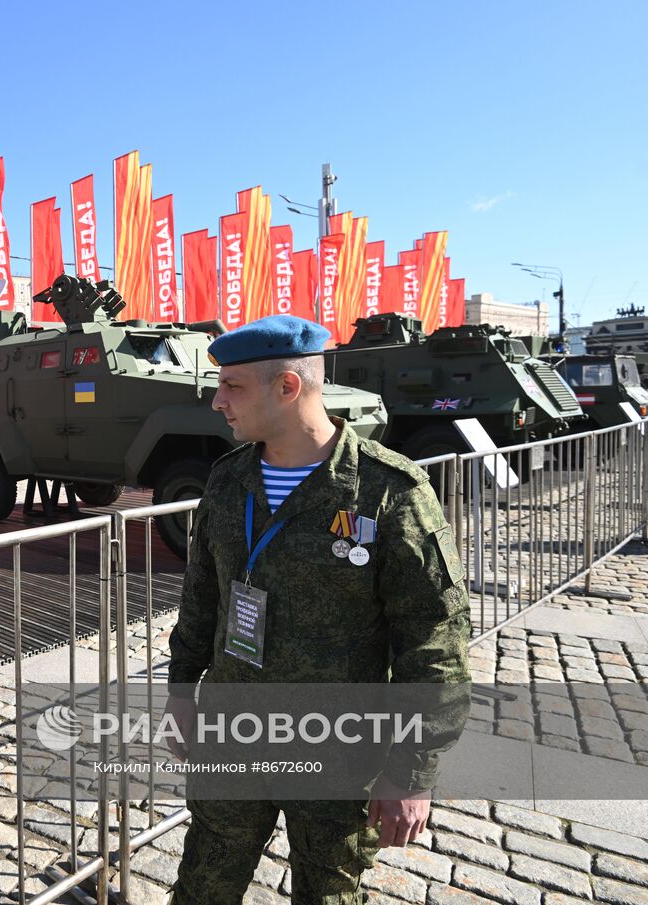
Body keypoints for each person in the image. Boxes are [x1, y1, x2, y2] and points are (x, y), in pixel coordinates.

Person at [165, 315, 471, 905]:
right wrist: (182, 693)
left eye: (232, 387)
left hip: (342, 752)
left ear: (288, 388)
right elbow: (203, 598)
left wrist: (411, 772)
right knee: (203, 886)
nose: (216, 402)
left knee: (327, 894)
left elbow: (434, 641)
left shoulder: (388, 492)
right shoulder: (228, 481)